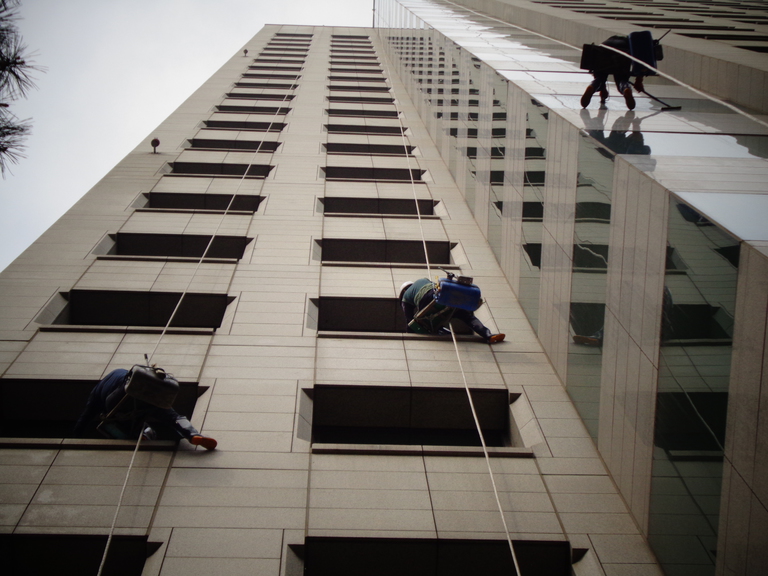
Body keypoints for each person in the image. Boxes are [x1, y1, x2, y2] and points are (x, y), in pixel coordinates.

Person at [74, 368, 217, 450]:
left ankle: (143, 434)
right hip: (151, 397)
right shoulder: (124, 373)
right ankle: (193, 434)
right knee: (173, 417)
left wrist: (75, 436)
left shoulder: (98, 390)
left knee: (121, 422)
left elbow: (86, 416)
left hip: (119, 403)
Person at [400, 278, 505, 343]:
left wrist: (409, 335)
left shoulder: (405, 295)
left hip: (425, 299)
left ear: (404, 289)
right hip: (442, 297)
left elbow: (409, 318)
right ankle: (488, 335)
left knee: (432, 324)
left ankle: (443, 334)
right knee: (467, 316)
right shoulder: (423, 280)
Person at [581, 35, 645, 111]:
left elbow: (596, 70)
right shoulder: (632, 44)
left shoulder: (609, 40)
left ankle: (592, 86)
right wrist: (639, 80)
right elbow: (641, 62)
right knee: (622, 79)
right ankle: (626, 88)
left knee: (600, 77)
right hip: (623, 49)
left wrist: (602, 89)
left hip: (605, 46)